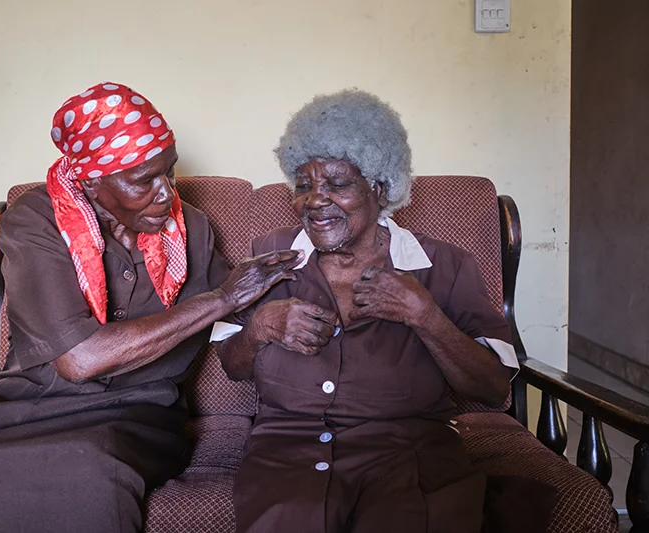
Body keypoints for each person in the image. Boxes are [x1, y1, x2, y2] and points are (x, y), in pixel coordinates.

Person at [0, 82, 301, 533]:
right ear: (92, 181)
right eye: (144, 180)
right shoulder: (38, 219)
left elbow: (241, 319)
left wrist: (276, 302)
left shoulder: (191, 227)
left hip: (133, 415)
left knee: (87, 474)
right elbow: (80, 358)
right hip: (20, 408)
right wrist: (221, 299)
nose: (165, 192)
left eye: (169, 173)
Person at [213, 89, 521, 533]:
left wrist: (425, 316)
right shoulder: (270, 257)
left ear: (380, 186)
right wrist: (260, 326)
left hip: (409, 452)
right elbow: (232, 364)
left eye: (336, 184)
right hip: (288, 453)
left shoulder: (444, 266)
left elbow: (494, 388)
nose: (314, 201)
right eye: (303, 185)